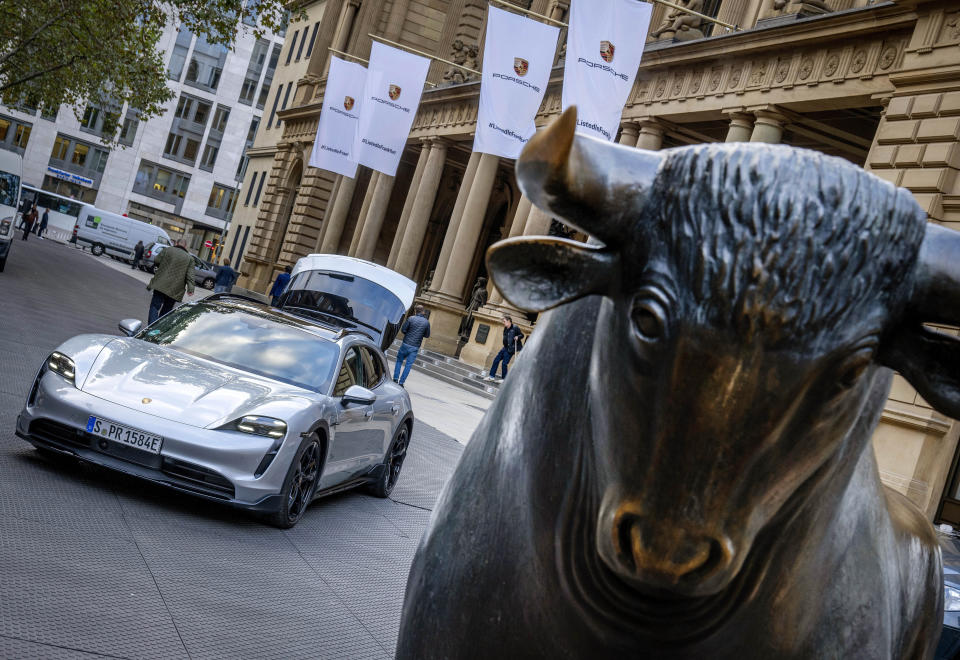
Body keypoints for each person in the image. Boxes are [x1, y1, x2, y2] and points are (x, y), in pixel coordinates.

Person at [146, 238, 194, 324]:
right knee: (166, 310)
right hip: (175, 289)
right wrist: (191, 289)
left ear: (176, 243)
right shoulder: (189, 258)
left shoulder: (167, 250)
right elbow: (190, 275)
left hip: (161, 284)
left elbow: (156, 260)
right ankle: (158, 329)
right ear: (185, 246)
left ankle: (151, 327)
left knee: (155, 306)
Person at [393, 305, 431, 387]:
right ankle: (401, 383)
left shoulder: (410, 318)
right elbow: (427, 335)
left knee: (399, 361)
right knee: (408, 365)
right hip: (415, 346)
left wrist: (409, 334)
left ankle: (395, 379)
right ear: (423, 311)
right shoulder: (426, 322)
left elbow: (403, 330)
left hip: (406, 343)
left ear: (415, 311)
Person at [486, 316, 524, 382]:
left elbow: (522, 335)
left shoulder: (515, 328)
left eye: (504, 321)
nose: (503, 323)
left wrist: (518, 336)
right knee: (496, 360)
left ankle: (504, 379)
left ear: (509, 321)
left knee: (504, 363)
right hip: (505, 348)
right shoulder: (505, 328)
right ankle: (491, 376)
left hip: (511, 349)